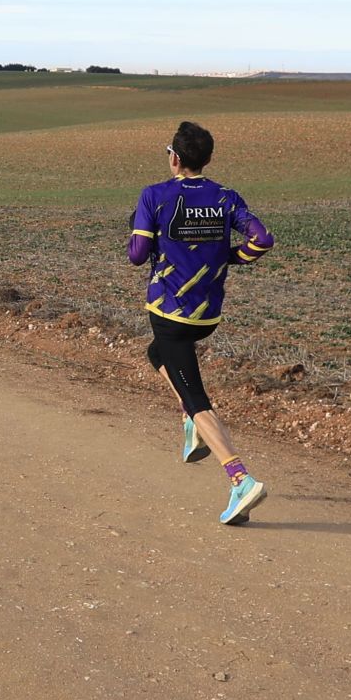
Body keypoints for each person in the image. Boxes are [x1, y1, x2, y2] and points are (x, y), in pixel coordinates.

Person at [128, 121, 274, 524]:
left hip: (169, 313)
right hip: (207, 314)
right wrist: (229, 257)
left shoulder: (155, 195)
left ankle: (240, 478)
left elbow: (137, 255)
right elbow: (262, 239)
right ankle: (191, 427)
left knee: (198, 400)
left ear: (174, 158)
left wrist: (142, 235)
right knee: (155, 354)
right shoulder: (226, 197)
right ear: (205, 159)